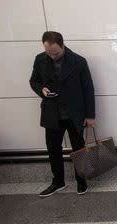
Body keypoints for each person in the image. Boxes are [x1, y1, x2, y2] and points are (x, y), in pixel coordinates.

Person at [29, 31, 95, 197]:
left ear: (62, 45)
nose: (52, 55)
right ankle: (58, 182)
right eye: (48, 52)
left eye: (55, 52)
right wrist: (41, 89)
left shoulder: (78, 61)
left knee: (78, 149)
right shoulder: (40, 59)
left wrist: (90, 115)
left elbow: (88, 88)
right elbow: (33, 81)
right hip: (52, 113)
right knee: (52, 148)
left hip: (74, 113)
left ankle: (81, 181)